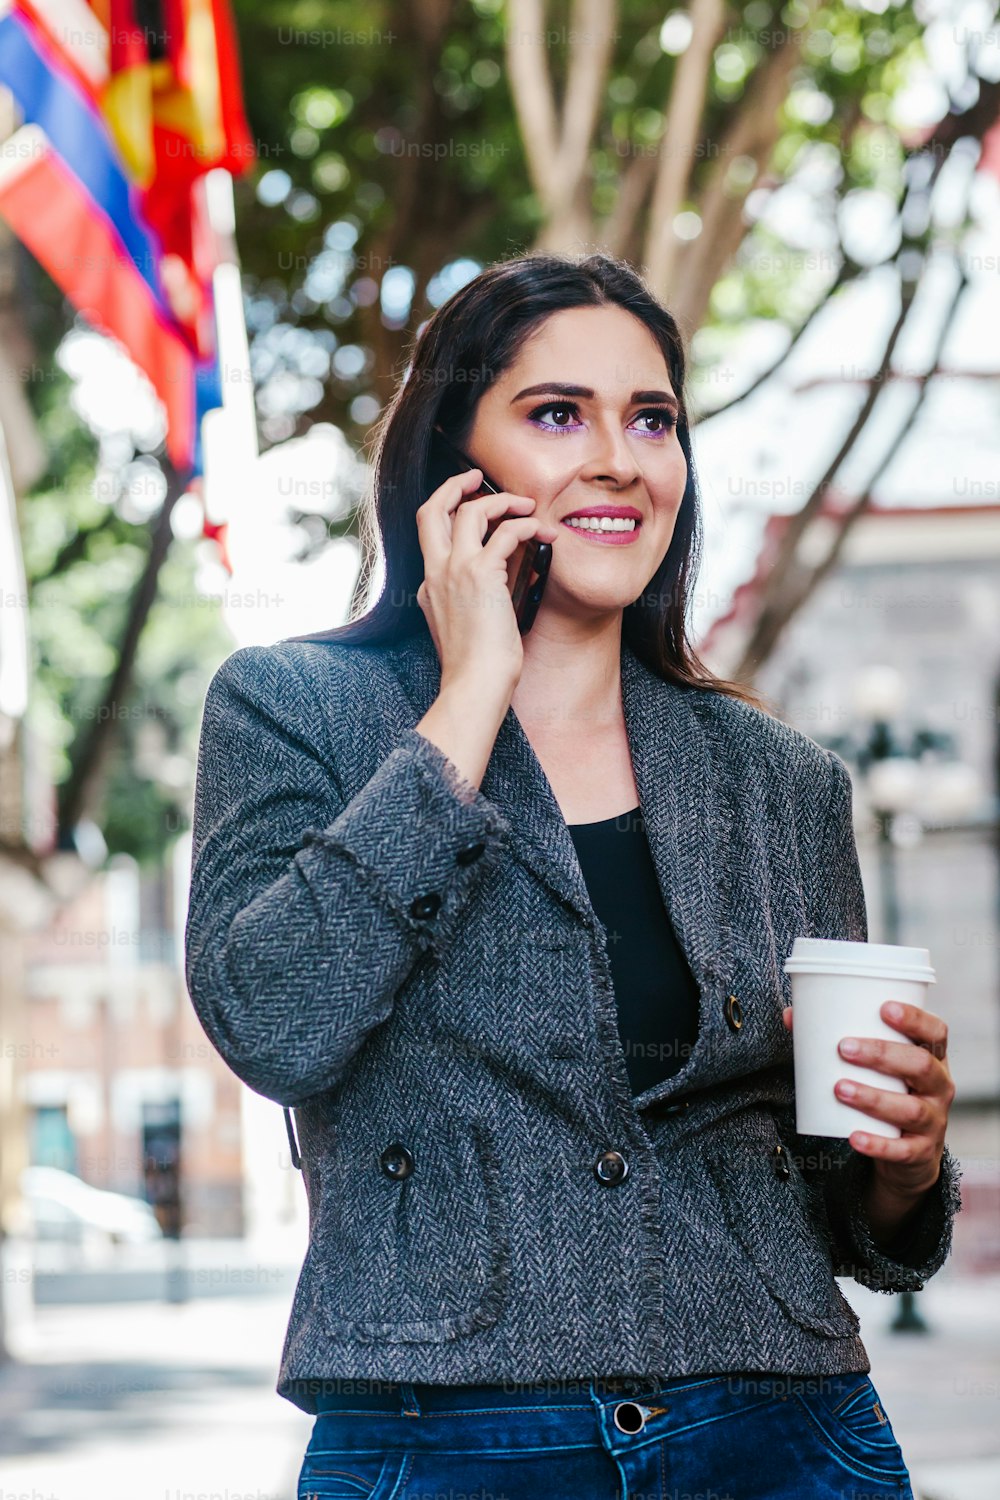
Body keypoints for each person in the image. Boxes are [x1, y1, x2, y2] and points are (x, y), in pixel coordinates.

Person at [184, 252, 962, 1499]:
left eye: (650, 419)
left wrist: (905, 1163)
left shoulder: (783, 779)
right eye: (558, 415)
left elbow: (847, 1215)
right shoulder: (295, 709)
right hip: (443, 1435)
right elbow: (276, 1021)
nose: (619, 458)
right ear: (455, 460)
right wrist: (472, 694)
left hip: (783, 1430)